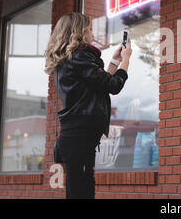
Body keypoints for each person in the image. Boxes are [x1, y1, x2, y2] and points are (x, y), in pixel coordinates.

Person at [44, 12, 132, 199]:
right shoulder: (80, 56)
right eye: (90, 28)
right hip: (79, 137)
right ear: (80, 31)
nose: (92, 32)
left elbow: (99, 86)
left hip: (76, 136)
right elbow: (113, 85)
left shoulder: (71, 59)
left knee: (81, 189)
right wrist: (126, 59)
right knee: (81, 191)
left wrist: (115, 62)